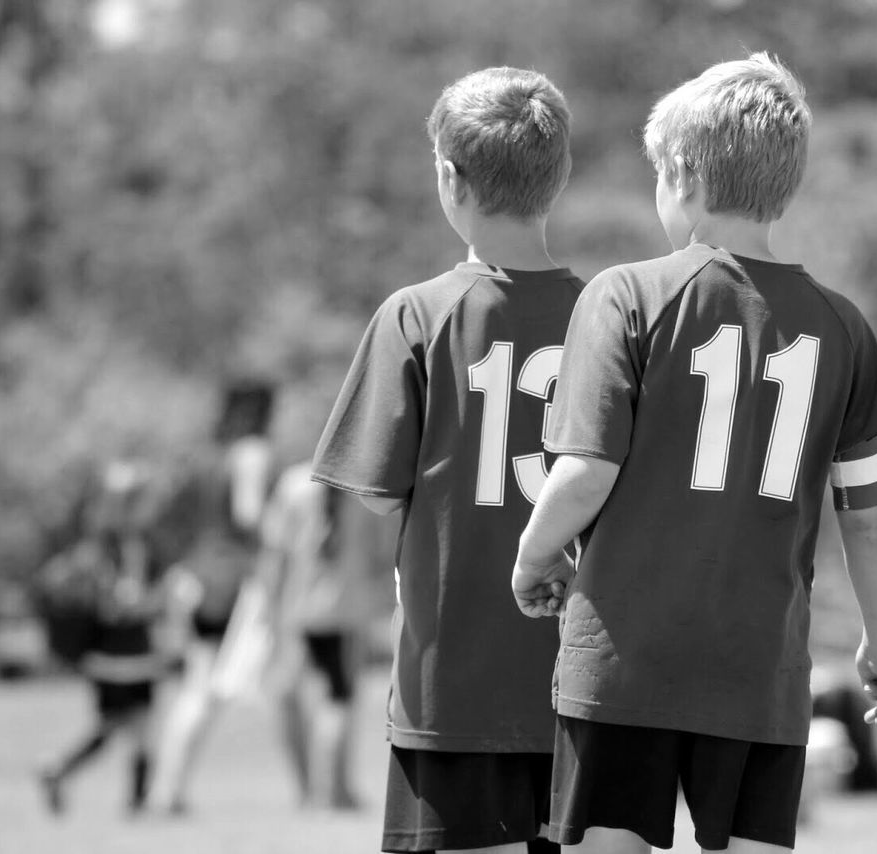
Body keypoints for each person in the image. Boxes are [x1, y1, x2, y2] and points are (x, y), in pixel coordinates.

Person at [511, 54, 877, 854]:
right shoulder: (842, 327)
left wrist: (533, 554)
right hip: (757, 669)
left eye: (660, 176)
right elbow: (869, 517)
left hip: (626, 663)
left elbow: (587, 468)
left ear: (687, 177)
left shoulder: (627, 295)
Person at [311, 66, 582, 853]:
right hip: (585, 687)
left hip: (452, 683)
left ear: (447, 177)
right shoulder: (613, 315)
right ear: (559, 176)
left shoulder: (416, 315)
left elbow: (378, 491)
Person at [149, 380, 277, 814]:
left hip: (196, 575)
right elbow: (250, 514)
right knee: (203, 693)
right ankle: (167, 793)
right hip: (227, 582)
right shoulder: (252, 454)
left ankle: (166, 791)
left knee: (193, 689)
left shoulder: (209, 455)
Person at [36, 460, 172, 816]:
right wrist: (151, 602)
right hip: (121, 655)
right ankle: (135, 803)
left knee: (115, 728)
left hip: (119, 655)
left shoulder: (118, 545)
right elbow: (118, 605)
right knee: (136, 728)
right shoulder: (111, 550)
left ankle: (63, 772)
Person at [257, 462, 389, 809]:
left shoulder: (292, 483)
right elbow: (383, 555)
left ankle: (306, 788)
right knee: (338, 699)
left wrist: (269, 610)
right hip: (343, 611)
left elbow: (275, 555)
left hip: (296, 609)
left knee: (288, 695)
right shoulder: (365, 485)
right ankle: (335, 791)